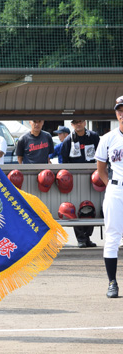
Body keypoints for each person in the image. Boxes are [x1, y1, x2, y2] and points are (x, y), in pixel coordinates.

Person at [95, 96, 123, 298]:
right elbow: (101, 170)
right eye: (120, 110)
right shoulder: (108, 138)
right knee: (112, 236)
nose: (122, 113)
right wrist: (112, 187)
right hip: (116, 190)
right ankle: (112, 282)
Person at [60, 119, 101, 248]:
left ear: (84, 123)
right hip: (74, 178)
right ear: (72, 125)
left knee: (90, 206)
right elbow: (64, 160)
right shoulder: (68, 140)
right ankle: (80, 238)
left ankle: (87, 237)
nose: (78, 124)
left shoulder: (94, 136)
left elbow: (101, 155)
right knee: (74, 207)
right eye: (75, 122)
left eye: (80, 121)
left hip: (93, 177)